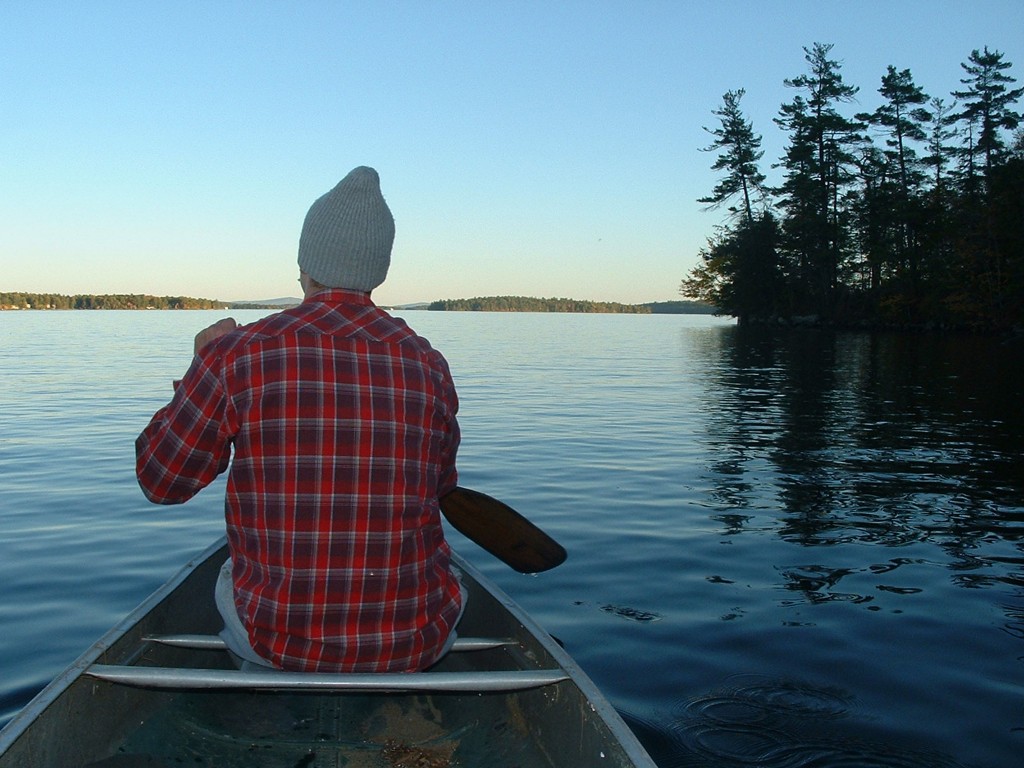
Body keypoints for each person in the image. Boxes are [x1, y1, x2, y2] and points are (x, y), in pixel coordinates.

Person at [136, 166, 464, 673]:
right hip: (413, 642)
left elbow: (161, 481)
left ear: (306, 266)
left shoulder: (236, 353)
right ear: (378, 270)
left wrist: (198, 366)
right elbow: (440, 487)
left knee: (227, 574)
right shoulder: (428, 363)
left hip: (278, 643)